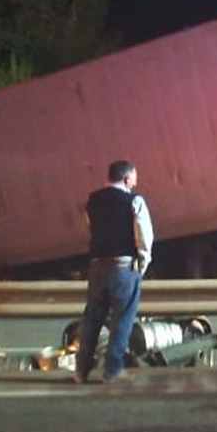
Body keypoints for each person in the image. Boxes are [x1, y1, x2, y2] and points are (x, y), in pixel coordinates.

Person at [73, 160, 154, 384]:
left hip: (97, 267)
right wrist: (142, 264)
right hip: (123, 268)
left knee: (92, 319)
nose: (135, 183)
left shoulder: (92, 201)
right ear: (127, 179)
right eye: (134, 179)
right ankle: (112, 369)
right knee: (122, 320)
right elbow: (144, 237)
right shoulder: (134, 201)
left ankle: (81, 370)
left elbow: (92, 228)